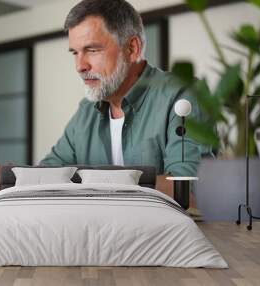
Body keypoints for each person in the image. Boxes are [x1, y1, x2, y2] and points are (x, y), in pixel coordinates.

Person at [38, 0, 208, 177]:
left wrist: (99, 182)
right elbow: (49, 171)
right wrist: (13, 176)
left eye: (92, 50)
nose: (80, 66)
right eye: (75, 53)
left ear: (132, 48)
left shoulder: (182, 96)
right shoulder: (86, 111)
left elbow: (187, 186)